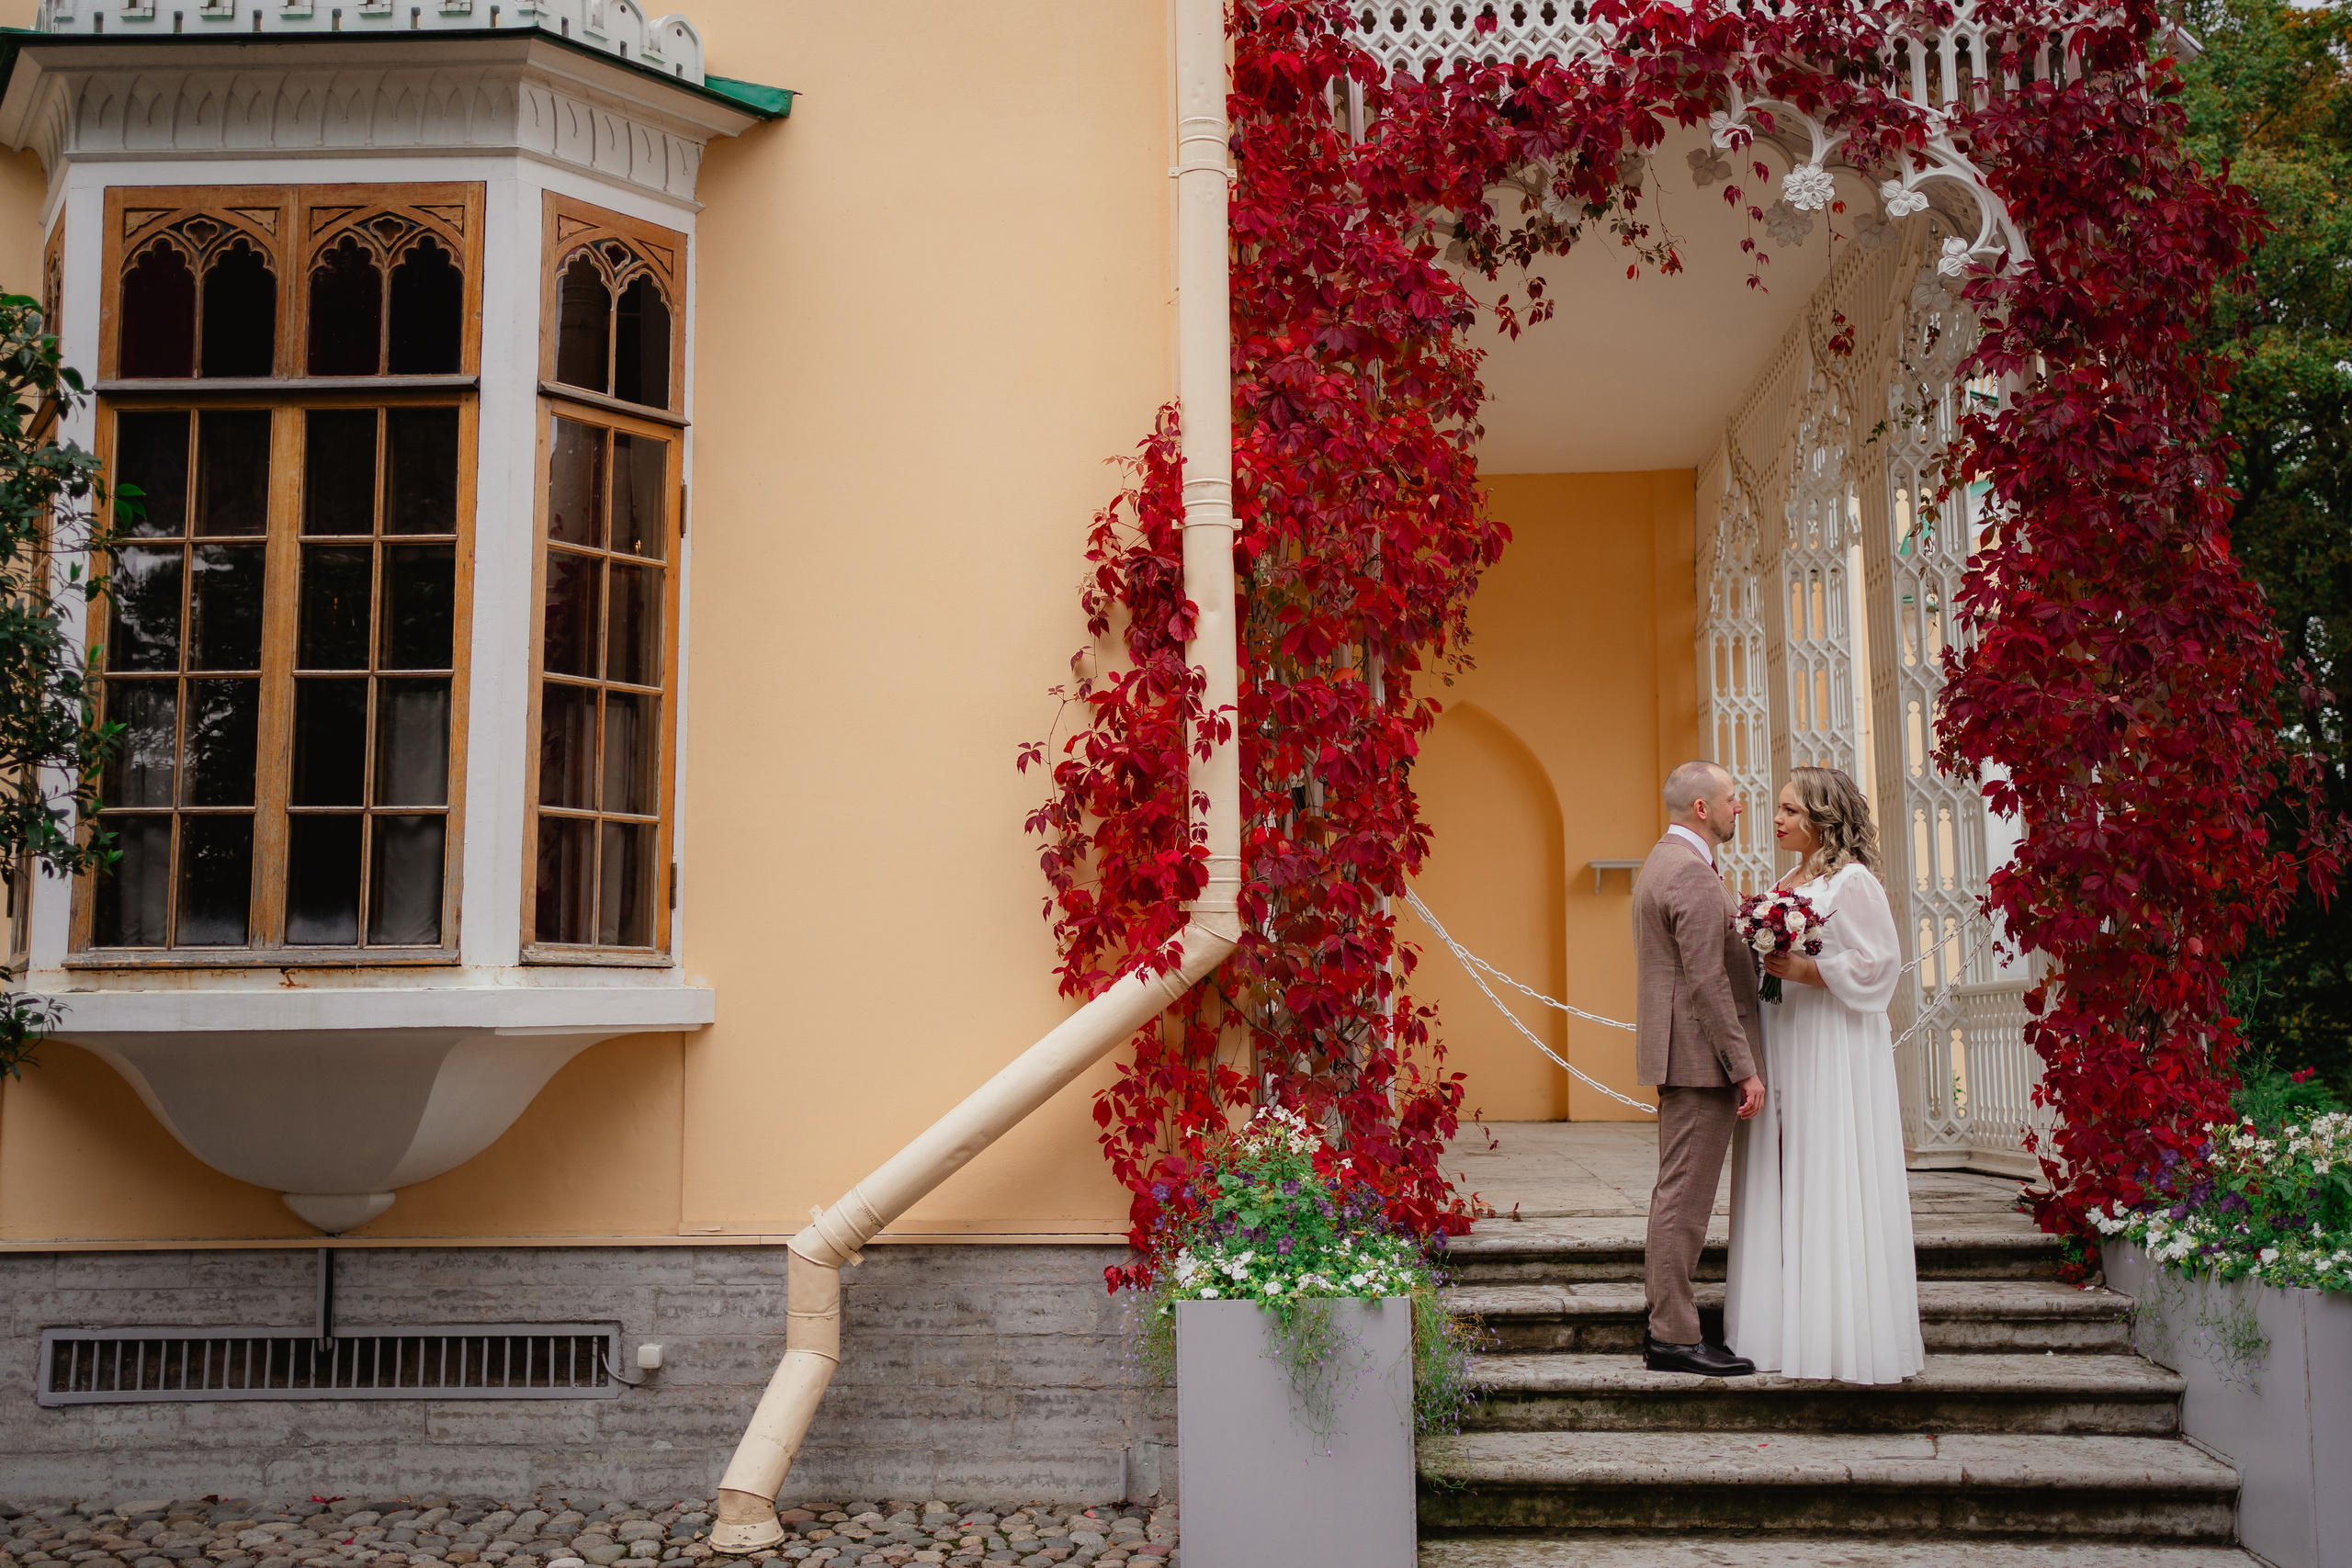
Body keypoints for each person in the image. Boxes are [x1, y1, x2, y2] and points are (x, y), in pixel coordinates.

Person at [1724, 766, 1926, 1384]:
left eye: (1789, 810)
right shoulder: (1785, 880)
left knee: (1826, 1164)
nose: (1777, 819)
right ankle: (1778, 1324)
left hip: (1831, 1044)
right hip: (1787, 1039)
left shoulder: (1853, 882)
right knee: (1786, 1169)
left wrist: (1805, 970)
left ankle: (1838, 1331)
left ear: (1821, 818)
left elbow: (1880, 966)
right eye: (1778, 809)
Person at [1632, 760, 1766, 1377]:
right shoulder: (1687, 870)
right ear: (1702, 809)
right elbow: (1707, 981)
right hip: (1697, 1057)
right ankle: (1673, 1334)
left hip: (1685, 1052)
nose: (1741, 807)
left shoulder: (1669, 859)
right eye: (1732, 798)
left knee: (1678, 1192)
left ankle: (1675, 1326)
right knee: (1683, 1198)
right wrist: (1743, 1067)